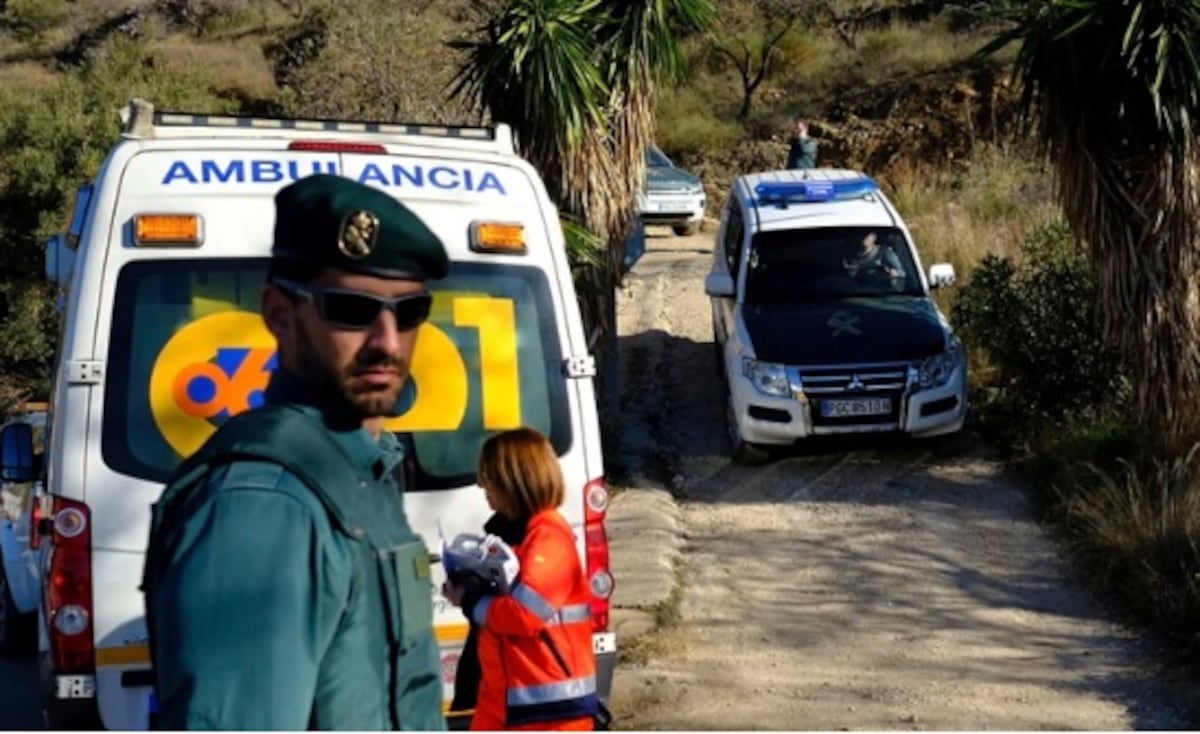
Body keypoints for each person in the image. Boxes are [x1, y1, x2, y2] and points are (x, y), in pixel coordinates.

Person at [142, 173, 449, 730]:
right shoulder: (262, 506)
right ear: (279, 314)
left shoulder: (359, 471)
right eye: (351, 309)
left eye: (409, 313)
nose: (386, 340)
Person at [442, 428, 600, 731]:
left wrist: (470, 601)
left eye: (487, 476)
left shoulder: (549, 538)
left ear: (512, 480)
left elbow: (524, 615)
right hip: (509, 707)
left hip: (550, 716)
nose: (480, 485)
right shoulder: (519, 535)